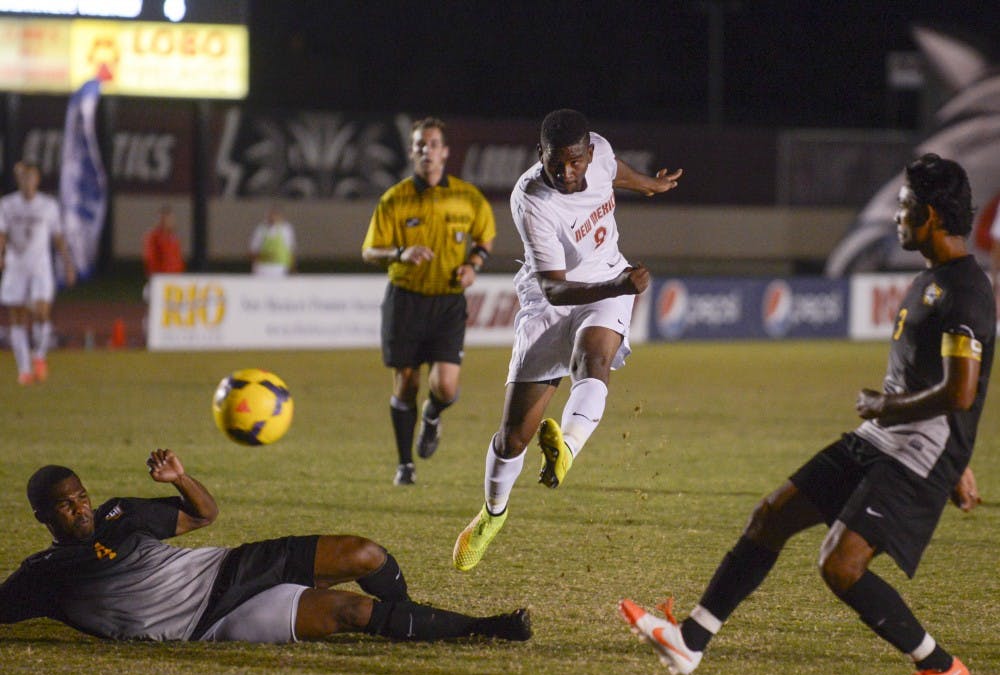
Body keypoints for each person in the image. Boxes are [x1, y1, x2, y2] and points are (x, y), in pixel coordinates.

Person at [620, 154, 993, 675]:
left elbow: (961, 392)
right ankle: (689, 641)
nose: (896, 216)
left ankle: (941, 667)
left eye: (904, 206)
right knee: (772, 515)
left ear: (933, 215)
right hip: (884, 440)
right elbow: (934, 382)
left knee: (839, 566)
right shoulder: (931, 278)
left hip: (915, 454)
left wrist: (901, 419)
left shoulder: (966, 290)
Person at [452, 109, 682, 570]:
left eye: (575, 161)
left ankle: (567, 450)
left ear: (588, 153)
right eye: (556, 162)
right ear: (541, 155)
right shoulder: (532, 198)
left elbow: (615, 171)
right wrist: (620, 286)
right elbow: (554, 287)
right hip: (551, 303)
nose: (566, 172)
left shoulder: (599, 155)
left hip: (605, 288)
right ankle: (492, 515)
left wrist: (650, 186)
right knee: (512, 439)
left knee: (592, 359)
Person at [0, 448, 532, 645]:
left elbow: (204, 515)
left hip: (227, 568)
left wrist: (181, 479)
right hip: (207, 624)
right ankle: (481, 629)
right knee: (354, 611)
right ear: (44, 518)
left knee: (365, 552)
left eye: (81, 497)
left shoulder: (120, 514)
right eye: (66, 507)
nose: (81, 509)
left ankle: (412, 616)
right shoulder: (46, 572)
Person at [362, 117, 497, 486]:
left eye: (433, 143)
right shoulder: (394, 198)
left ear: (445, 151)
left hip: (448, 303)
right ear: (411, 152)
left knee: (446, 387)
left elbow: (485, 238)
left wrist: (473, 266)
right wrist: (400, 253)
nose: (427, 150)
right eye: (420, 144)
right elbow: (370, 251)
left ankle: (433, 416)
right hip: (405, 301)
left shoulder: (467, 198)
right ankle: (405, 464)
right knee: (405, 383)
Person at [0, 161, 76, 385]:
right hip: (16, 267)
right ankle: (24, 369)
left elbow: (58, 237)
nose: (27, 181)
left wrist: (68, 263)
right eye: (23, 177)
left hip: (40, 268)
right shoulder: (7, 205)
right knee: (17, 318)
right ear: (18, 180)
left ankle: (39, 356)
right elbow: (1, 233)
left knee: (42, 312)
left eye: (30, 177)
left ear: (37, 179)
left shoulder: (48, 205)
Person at [249, 206, 296, 276]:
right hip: (263, 267)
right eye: (272, 215)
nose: (273, 217)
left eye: (276, 215)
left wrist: (292, 268)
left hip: (280, 266)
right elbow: (253, 250)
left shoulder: (286, 229)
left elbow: (291, 249)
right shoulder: (261, 229)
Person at [142, 204, 186, 278]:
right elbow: (150, 258)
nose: (170, 221)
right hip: (161, 277)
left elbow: (177, 259)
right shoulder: (154, 237)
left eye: (171, 218)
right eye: (167, 219)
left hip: (175, 277)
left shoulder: (173, 237)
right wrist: (154, 275)